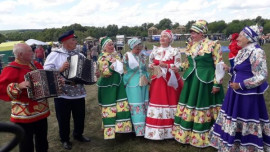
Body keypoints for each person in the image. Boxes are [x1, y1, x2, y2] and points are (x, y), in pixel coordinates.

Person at [209, 25, 270, 151]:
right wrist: (229, 69)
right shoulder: (244, 50)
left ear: (249, 38)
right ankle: (234, 144)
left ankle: (246, 146)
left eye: (241, 35)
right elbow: (241, 71)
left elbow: (262, 75)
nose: (238, 38)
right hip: (235, 92)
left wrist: (241, 85)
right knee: (235, 118)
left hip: (247, 95)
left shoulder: (257, 52)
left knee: (245, 118)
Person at [172, 20, 224, 147]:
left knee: (204, 105)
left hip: (206, 81)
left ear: (202, 33)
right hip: (192, 81)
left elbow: (219, 65)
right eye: (191, 32)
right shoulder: (190, 45)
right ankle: (188, 134)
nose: (192, 35)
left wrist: (217, 84)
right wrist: (179, 68)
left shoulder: (213, 45)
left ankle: (209, 135)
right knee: (190, 104)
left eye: (194, 32)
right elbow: (188, 63)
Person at [44, 30, 90, 150]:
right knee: (63, 119)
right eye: (73, 40)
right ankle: (64, 139)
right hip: (62, 93)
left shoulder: (80, 55)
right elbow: (46, 72)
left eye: (75, 40)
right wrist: (60, 69)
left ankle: (78, 135)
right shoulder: (55, 54)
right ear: (64, 42)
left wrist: (92, 74)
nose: (76, 42)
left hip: (78, 92)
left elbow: (86, 71)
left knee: (80, 116)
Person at [0, 43, 50, 152]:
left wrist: (54, 83)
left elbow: (45, 80)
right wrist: (18, 86)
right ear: (20, 54)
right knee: (26, 143)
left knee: (42, 139)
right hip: (24, 115)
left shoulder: (36, 64)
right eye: (29, 51)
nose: (33, 53)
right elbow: (1, 88)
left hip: (41, 111)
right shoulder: (11, 69)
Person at [145, 29, 183, 140]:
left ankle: (171, 131)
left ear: (170, 39)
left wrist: (166, 66)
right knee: (158, 100)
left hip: (170, 81)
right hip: (158, 79)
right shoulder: (155, 50)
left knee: (170, 100)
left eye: (165, 37)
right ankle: (156, 132)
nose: (162, 38)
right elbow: (150, 62)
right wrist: (151, 66)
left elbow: (178, 67)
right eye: (161, 36)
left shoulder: (175, 51)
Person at [97, 36, 132, 139]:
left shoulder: (115, 56)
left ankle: (121, 128)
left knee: (120, 105)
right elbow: (104, 72)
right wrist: (112, 67)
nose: (112, 46)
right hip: (108, 86)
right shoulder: (102, 57)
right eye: (109, 44)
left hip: (118, 84)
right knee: (110, 107)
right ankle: (109, 131)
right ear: (104, 47)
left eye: (112, 44)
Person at [123, 38, 149, 136]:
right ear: (131, 47)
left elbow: (144, 68)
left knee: (143, 103)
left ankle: (145, 128)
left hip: (143, 82)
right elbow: (121, 67)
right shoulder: (127, 56)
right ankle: (137, 130)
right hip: (133, 83)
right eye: (136, 48)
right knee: (136, 105)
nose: (138, 50)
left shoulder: (142, 55)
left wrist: (147, 77)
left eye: (140, 48)